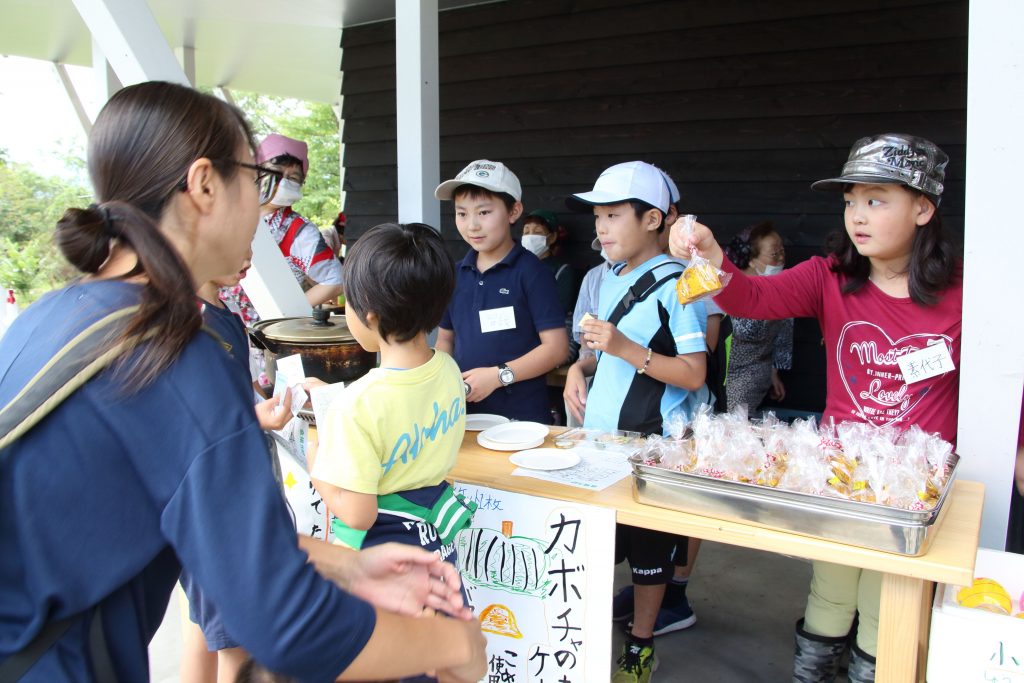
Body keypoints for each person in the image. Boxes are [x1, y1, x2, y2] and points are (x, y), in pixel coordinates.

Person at [0, 81, 485, 683]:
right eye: (257, 181)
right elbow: (291, 628)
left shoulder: (53, 315)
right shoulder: (176, 348)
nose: (262, 206)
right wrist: (453, 646)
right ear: (205, 184)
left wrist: (349, 566)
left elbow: (187, 530)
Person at [670, 133, 961, 683]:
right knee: (830, 591)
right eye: (851, 200)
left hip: (912, 492)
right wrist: (710, 258)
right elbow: (752, 298)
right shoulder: (830, 276)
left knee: (887, 606)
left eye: (877, 200)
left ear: (922, 208)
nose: (858, 215)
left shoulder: (965, 292)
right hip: (836, 476)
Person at [563, 161, 709, 683]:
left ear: (653, 220)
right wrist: (578, 370)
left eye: (613, 215)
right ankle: (586, 638)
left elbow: (694, 373)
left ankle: (642, 644)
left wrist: (625, 348)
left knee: (650, 552)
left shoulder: (683, 285)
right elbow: (598, 354)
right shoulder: (609, 279)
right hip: (602, 437)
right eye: (597, 216)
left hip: (654, 447)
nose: (600, 227)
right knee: (602, 542)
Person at [311, 222, 472, 566]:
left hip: (386, 559)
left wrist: (316, 467)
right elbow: (401, 401)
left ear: (370, 314)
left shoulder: (356, 406)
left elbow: (358, 516)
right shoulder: (448, 369)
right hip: (437, 546)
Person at [180, 256, 295, 683]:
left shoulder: (223, 314)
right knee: (235, 642)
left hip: (227, 495)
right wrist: (254, 418)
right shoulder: (192, 321)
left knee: (204, 626)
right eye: (240, 241)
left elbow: (237, 394)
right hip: (221, 504)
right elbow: (199, 420)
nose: (248, 255)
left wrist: (260, 405)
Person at [435, 159, 568, 423]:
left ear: (513, 211)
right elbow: (445, 341)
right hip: (463, 416)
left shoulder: (532, 273)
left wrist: (498, 376)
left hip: (521, 419)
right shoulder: (454, 274)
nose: (472, 225)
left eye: (483, 212)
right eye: (462, 213)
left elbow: (556, 349)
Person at [256, 133, 343, 307]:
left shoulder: (299, 231)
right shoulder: (229, 214)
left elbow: (335, 279)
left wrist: (293, 309)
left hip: (264, 327)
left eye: (293, 178)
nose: (283, 183)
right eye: (276, 172)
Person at [722, 221, 794, 413]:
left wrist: (774, 372)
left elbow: (784, 336)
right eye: (774, 254)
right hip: (725, 374)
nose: (781, 258)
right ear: (751, 260)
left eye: (782, 251)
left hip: (755, 375)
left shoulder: (784, 288)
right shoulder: (727, 286)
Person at [521, 209, 576, 315]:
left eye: (538, 232)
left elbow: (560, 309)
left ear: (552, 238)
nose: (530, 237)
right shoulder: (515, 267)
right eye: (526, 232)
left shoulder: (562, 271)